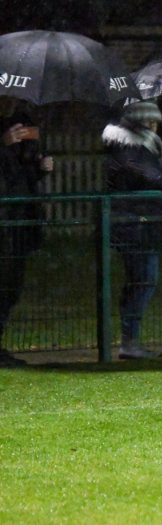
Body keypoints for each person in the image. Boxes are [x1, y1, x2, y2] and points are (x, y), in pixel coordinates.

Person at [102, 101, 162, 360]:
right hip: (134, 224)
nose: (153, 126)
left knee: (142, 281)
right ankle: (129, 340)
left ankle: (130, 339)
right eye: (148, 121)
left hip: (142, 223)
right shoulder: (129, 149)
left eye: (155, 121)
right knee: (143, 280)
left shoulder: (146, 146)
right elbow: (152, 177)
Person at [0, 97, 53, 367]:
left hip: (19, 221)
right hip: (6, 221)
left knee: (11, 286)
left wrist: (41, 168)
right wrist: (2, 144)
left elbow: (21, 176)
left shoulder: (21, 123)